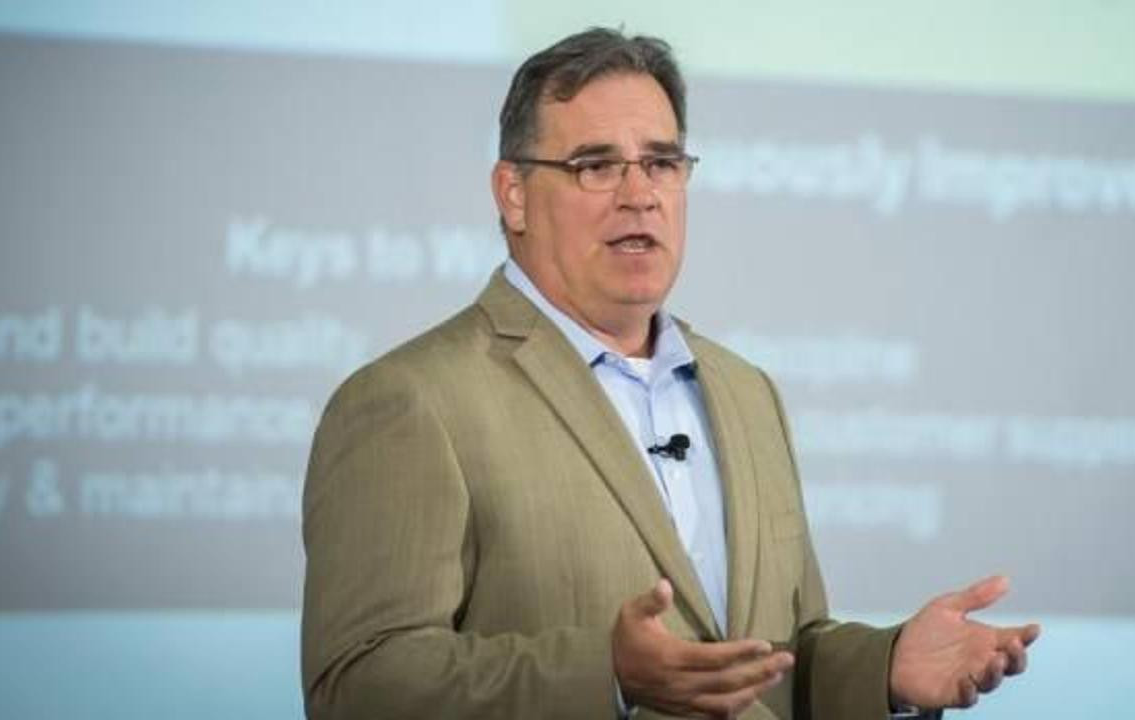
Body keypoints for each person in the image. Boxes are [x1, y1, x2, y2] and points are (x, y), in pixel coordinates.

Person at [301, 27, 1039, 720]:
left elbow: (778, 653)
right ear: (513, 194)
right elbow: (358, 682)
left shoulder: (746, 392)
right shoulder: (412, 401)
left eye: (661, 162)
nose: (640, 194)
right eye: (595, 166)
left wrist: (882, 666)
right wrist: (607, 675)